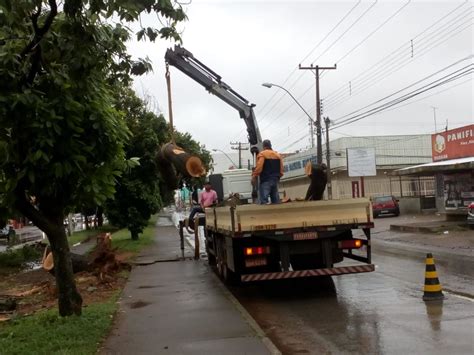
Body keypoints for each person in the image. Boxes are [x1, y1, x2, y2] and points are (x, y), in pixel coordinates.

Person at [251, 139, 284, 204]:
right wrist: (278, 176)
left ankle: (265, 213)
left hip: (266, 180)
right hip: (275, 179)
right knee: (275, 201)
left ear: (264, 146)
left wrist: (254, 175)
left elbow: (259, 167)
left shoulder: (262, 154)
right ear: (270, 145)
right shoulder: (277, 155)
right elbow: (281, 168)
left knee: (264, 201)